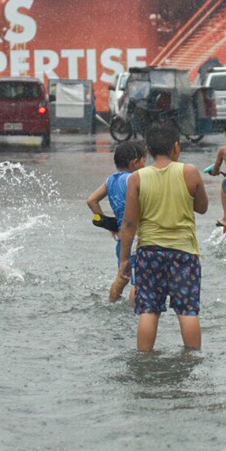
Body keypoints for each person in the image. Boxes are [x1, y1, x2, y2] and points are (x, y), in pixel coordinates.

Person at [119, 121, 209, 352]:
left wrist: (124, 260)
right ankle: (191, 360)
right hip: (184, 253)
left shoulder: (137, 178)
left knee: (149, 311)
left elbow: (129, 224)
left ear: (147, 150)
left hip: (149, 253)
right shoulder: (189, 172)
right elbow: (202, 207)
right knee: (187, 311)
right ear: (176, 148)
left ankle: (145, 361)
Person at [86, 141, 147, 302]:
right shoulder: (134, 179)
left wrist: (109, 224)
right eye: (143, 161)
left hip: (122, 239)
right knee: (139, 283)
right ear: (135, 162)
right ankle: (136, 314)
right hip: (137, 238)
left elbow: (91, 200)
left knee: (122, 277)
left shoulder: (110, 180)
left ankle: (112, 304)